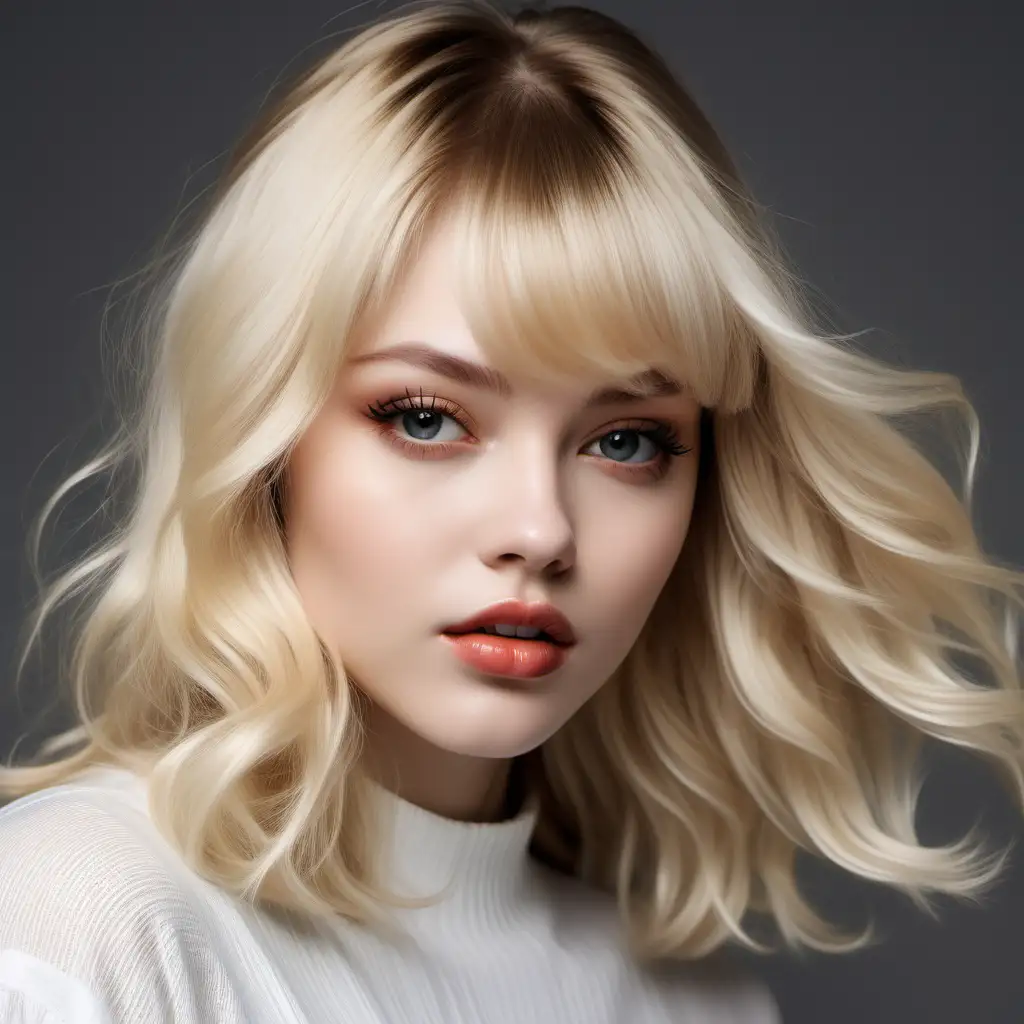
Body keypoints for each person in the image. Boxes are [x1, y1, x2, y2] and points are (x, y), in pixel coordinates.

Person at [0, 1, 1021, 1021]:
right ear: (268, 441)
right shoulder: (77, 920)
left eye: (626, 441)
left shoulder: (700, 1006)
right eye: (427, 419)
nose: (538, 530)